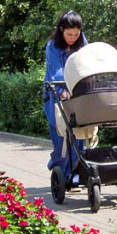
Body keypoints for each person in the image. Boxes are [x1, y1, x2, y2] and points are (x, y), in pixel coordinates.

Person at [43, 11, 88, 184]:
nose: (73, 38)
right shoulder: (52, 46)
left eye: (76, 34)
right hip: (56, 92)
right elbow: (56, 72)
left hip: (77, 93)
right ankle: (60, 171)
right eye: (69, 34)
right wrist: (62, 90)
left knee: (80, 132)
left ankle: (76, 171)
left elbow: (86, 63)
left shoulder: (82, 41)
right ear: (61, 30)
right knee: (61, 134)